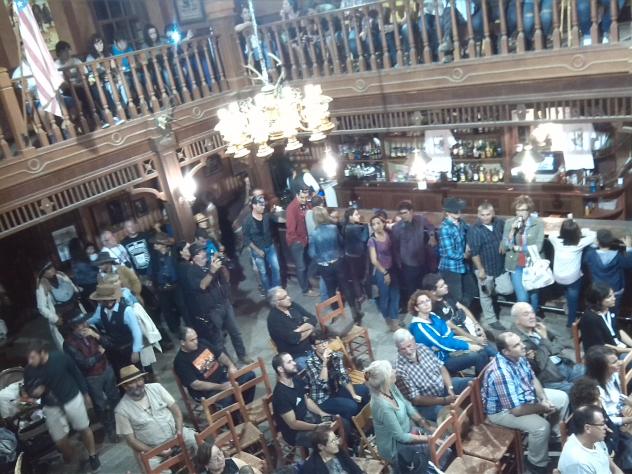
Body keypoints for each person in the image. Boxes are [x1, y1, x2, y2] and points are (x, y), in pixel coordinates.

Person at [482, 332, 569, 474]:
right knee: (541, 427)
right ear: (506, 352)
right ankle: (536, 464)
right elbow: (516, 410)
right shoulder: (501, 373)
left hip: (522, 398)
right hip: (502, 411)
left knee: (562, 398)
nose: (523, 346)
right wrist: (542, 407)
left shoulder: (518, 357)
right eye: (516, 345)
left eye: (520, 342)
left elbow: (533, 379)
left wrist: (544, 399)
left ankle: (552, 437)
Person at [23, 340, 100, 472]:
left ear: (42, 353)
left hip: (71, 397)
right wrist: (34, 393)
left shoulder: (60, 358)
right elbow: (28, 390)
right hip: (51, 405)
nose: (30, 361)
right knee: (59, 440)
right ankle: (75, 457)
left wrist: (85, 393)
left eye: (32, 357)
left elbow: (76, 374)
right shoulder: (29, 370)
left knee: (83, 428)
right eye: (28, 358)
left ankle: (92, 455)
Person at [185, 243, 252, 364]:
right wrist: (212, 271)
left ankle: (242, 355)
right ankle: (229, 364)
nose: (204, 253)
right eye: (200, 252)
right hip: (212, 310)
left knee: (235, 332)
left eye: (204, 251)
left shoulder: (211, 264)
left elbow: (225, 279)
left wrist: (222, 266)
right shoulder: (191, 272)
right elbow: (202, 286)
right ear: (194, 257)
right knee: (219, 339)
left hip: (225, 303)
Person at [364, 360, 432, 472]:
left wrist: (423, 422)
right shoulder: (382, 406)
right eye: (391, 371)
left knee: (438, 439)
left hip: (408, 432)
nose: (394, 371)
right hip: (395, 447)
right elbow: (400, 436)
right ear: (385, 380)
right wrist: (429, 439)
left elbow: (407, 405)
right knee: (431, 449)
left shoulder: (391, 387)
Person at [114, 365, 197, 457]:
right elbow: (131, 440)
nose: (139, 384)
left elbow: (177, 411)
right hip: (152, 448)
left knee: (197, 441)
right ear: (125, 386)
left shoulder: (156, 387)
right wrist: (156, 452)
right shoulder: (121, 410)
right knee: (155, 465)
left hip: (176, 434)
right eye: (133, 382)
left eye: (140, 379)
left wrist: (179, 432)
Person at [64, 312, 120, 443]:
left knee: (114, 397)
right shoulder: (69, 343)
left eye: (84, 322)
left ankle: (122, 423)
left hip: (106, 369)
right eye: (79, 324)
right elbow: (84, 363)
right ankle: (110, 430)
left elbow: (109, 344)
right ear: (73, 327)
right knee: (101, 405)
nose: (84, 326)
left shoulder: (92, 331)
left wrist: (96, 336)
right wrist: (99, 354)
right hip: (92, 377)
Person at [394, 328, 471, 422]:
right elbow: (416, 399)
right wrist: (444, 400)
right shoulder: (400, 369)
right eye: (403, 349)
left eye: (409, 346)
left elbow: (441, 367)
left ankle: (478, 413)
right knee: (448, 416)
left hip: (443, 388)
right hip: (427, 404)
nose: (408, 351)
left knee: (470, 382)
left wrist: (449, 387)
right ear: (398, 349)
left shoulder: (422, 347)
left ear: (413, 340)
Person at [408, 290, 491, 374]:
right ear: (416, 308)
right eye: (422, 302)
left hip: (448, 352)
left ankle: (495, 366)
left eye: (427, 300)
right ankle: (482, 380)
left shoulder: (433, 316)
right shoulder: (419, 327)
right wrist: (468, 346)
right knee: (479, 356)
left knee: (484, 348)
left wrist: (446, 340)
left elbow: (448, 332)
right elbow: (442, 343)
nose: (426, 304)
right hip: (440, 362)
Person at [510, 302, 584, 392]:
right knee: (579, 391)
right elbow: (540, 364)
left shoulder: (537, 323)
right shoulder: (515, 341)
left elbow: (560, 339)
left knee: (591, 371)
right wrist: (545, 339)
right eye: (526, 314)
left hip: (563, 364)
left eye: (532, 312)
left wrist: (549, 349)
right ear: (517, 320)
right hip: (550, 377)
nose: (532, 316)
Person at [173, 327, 255, 403]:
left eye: (196, 338)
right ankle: (237, 411)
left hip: (223, 376)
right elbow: (196, 384)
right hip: (208, 390)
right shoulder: (180, 361)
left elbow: (220, 355)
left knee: (249, 376)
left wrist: (231, 366)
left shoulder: (202, 343)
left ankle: (244, 406)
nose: (196, 342)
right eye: (192, 340)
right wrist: (221, 387)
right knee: (228, 398)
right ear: (182, 342)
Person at [584, 346, 632, 470]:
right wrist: (627, 420)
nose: (619, 363)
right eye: (614, 362)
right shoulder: (594, 391)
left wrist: (629, 402)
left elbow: (617, 396)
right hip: (611, 428)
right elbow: (603, 421)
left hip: (621, 414)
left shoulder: (613, 375)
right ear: (602, 368)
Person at [304, 330, 369, 422]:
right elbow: (321, 384)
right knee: (351, 406)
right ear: (313, 347)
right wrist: (324, 363)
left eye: (325, 342)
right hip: (323, 398)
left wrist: (353, 394)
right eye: (320, 344)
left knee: (363, 390)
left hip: (337, 389)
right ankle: (351, 425)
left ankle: (365, 419)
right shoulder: (310, 363)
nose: (324, 345)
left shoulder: (334, 355)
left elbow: (343, 376)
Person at [271, 352, 334, 447]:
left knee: (341, 422)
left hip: (308, 418)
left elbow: (307, 400)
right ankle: (323, 455)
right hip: (295, 433)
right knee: (326, 439)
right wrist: (316, 427)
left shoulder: (295, 379)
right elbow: (293, 424)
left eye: (292, 360)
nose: (294, 363)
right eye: (289, 362)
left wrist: (322, 413)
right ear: (280, 369)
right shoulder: (280, 395)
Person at [421, 273, 492, 350]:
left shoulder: (446, 294)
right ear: (433, 292)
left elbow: (462, 308)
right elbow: (453, 327)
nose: (446, 286)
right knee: (481, 347)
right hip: (456, 334)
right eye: (442, 286)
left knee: (484, 339)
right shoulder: (434, 307)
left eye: (444, 283)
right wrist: (474, 339)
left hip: (463, 322)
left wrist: (476, 324)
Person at [87, 282, 144, 376]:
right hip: (114, 350)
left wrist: (136, 351)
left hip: (128, 349)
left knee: (136, 373)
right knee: (122, 375)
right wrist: (84, 324)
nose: (109, 303)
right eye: (105, 301)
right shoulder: (101, 309)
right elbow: (94, 319)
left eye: (110, 299)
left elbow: (136, 331)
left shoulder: (126, 310)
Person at [501, 195, 544, 313]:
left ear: (529, 210)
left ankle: (533, 317)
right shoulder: (509, 223)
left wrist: (518, 248)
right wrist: (512, 231)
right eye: (517, 210)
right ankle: (524, 319)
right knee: (522, 298)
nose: (519, 213)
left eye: (523, 210)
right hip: (516, 264)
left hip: (532, 264)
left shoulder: (538, 223)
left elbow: (538, 247)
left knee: (534, 295)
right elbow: (505, 245)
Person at [549, 219, 596, 327]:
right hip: (572, 278)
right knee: (573, 299)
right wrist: (580, 231)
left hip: (558, 277)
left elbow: (552, 234)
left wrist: (565, 231)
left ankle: (567, 301)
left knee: (567, 289)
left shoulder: (556, 241)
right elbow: (594, 235)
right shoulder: (580, 243)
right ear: (576, 233)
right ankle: (571, 322)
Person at [467, 201, 506, 329]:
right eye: (482, 215)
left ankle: (492, 292)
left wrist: (504, 241)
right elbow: (474, 253)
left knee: (507, 289)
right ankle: (491, 320)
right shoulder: (474, 230)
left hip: (499, 266)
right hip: (484, 267)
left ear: (493, 213)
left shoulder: (499, 223)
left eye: (488, 214)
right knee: (485, 294)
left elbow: (507, 232)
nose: (485, 217)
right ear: (478, 215)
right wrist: (481, 270)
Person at [391, 200, 436, 310]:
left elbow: (431, 227)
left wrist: (431, 236)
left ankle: (425, 308)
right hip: (408, 264)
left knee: (423, 287)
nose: (403, 216)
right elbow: (395, 247)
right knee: (411, 290)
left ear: (411, 212)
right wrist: (399, 262)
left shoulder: (420, 219)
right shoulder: (397, 228)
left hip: (422, 261)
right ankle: (412, 310)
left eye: (405, 213)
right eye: (401, 213)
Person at [558, 404, 623, 474]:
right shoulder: (578, 463)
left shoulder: (596, 440)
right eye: (602, 424)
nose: (606, 427)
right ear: (587, 428)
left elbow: (612, 466)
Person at [583, 229, 632, 316]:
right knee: (613, 312)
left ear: (597, 242)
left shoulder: (590, 255)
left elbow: (585, 259)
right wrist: (628, 247)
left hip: (598, 290)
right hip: (614, 290)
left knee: (597, 310)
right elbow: (629, 263)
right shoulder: (619, 256)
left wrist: (594, 245)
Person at [267, 287, 318, 370]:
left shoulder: (292, 305)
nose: (289, 298)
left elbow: (313, 318)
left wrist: (298, 330)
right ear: (277, 302)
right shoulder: (274, 319)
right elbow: (293, 339)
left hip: (310, 345)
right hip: (295, 356)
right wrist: (309, 328)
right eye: (284, 297)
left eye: (287, 295)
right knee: (315, 372)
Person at [35, 260, 81, 351]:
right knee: (72, 342)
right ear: (43, 273)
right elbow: (41, 307)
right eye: (48, 269)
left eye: (51, 267)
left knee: (84, 332)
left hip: (74, 309)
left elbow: (71, 286)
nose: (52, 269)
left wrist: (76, 293)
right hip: (62, 317)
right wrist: (55, 318)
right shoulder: (42, 286)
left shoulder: (61, 275)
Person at [437, 197, 473, 305]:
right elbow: (449, 253)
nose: (458, 212)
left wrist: (468, 245)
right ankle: (456, 314)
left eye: (459, 209)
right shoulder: (445, 228)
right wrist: (464, 255)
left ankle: (464, 313)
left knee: (470, 290)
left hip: (462, 266)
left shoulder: (461, 223)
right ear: (447, 212)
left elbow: (469, 232)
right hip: (450, 268)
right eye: (455, 210)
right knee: (456, 297)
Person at [242, 194, 281, 293]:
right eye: (261, 205)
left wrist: (275, 212)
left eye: (264, 204)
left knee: (276, 268)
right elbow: (246, 238)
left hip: (270, 246)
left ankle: (277, 290)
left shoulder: (266, 215)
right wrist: (257, 250)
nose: (263, 206)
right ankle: (269, 292)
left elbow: (274, 219)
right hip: (257, 250)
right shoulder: (247, 221)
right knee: (263, 273)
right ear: (254, 206)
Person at [368, 214, 400, 331]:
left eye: (378, 223)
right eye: (373, 224)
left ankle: (394, 320)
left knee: (395, 294)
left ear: (383, 223)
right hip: (381, 270)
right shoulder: (372, 240)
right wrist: (385, 273)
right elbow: (373, 260)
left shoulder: (388, 234)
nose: (376, 226)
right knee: (385, 297)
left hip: (392, 268)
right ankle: (387, 319)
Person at [580, 282, 632, 355]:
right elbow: (602, 346)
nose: (614, 298)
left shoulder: (609, 308)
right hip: (602, 354)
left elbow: (618, 330)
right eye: (609, 297)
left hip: (618, 346)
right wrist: (628, 350)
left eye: (613, 295)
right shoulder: (590, 319)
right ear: (598, 300)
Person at [286, 187, 319, 297]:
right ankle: (305, 290)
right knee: (301, 267)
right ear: (296, 195)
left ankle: (310, 281)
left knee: (311, 260)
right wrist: (300, 241)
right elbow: (291, 230)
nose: (304, 199)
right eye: (302, 197)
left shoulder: (305, 204)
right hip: (297, 242)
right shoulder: (291, 208)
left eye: (306, 197)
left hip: (305, 239)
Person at [150, 232, 184, 335]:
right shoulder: (154, 257)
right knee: (167, 311)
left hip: (176, 286)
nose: (154, 245)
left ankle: (189, 327)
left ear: (163, 245)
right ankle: (175, 331)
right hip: (162, 289)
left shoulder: (174, 253)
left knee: (182, 306)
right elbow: (151, 272)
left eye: (157, 243)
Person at [308, 206, 345, 299]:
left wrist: (320, 258)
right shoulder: (334, 228)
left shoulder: (314, 234)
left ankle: (333, 305)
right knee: (343, 284)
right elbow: (341, 242)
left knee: (330, 289)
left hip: (324, 264)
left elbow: (312, 253)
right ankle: (349, 303)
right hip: (337, 260)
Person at [342, 207, 370, 321]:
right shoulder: (353, 227)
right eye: (356, 214)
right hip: (356, 256)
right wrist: (366, 225)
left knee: (354, 277)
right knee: (357, 277)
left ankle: (360, 296)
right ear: (350, 217)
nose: (359, 216)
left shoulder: (346, 226)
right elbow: (364, 238)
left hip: (349, 254)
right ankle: (360, 296)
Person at [194, 437, 262, 474]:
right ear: (206, 466)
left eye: (219, 454)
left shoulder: (233, 462)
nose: (220, 459)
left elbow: (255, 471)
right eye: (215, 459)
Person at [68, 237, 98, 308]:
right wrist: (99, 269)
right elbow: (91, 273)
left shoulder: (77, 259)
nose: (83, 245)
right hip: (88, 286)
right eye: (81, 244)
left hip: (87, 284)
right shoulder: (78, 261)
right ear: (77, 247)